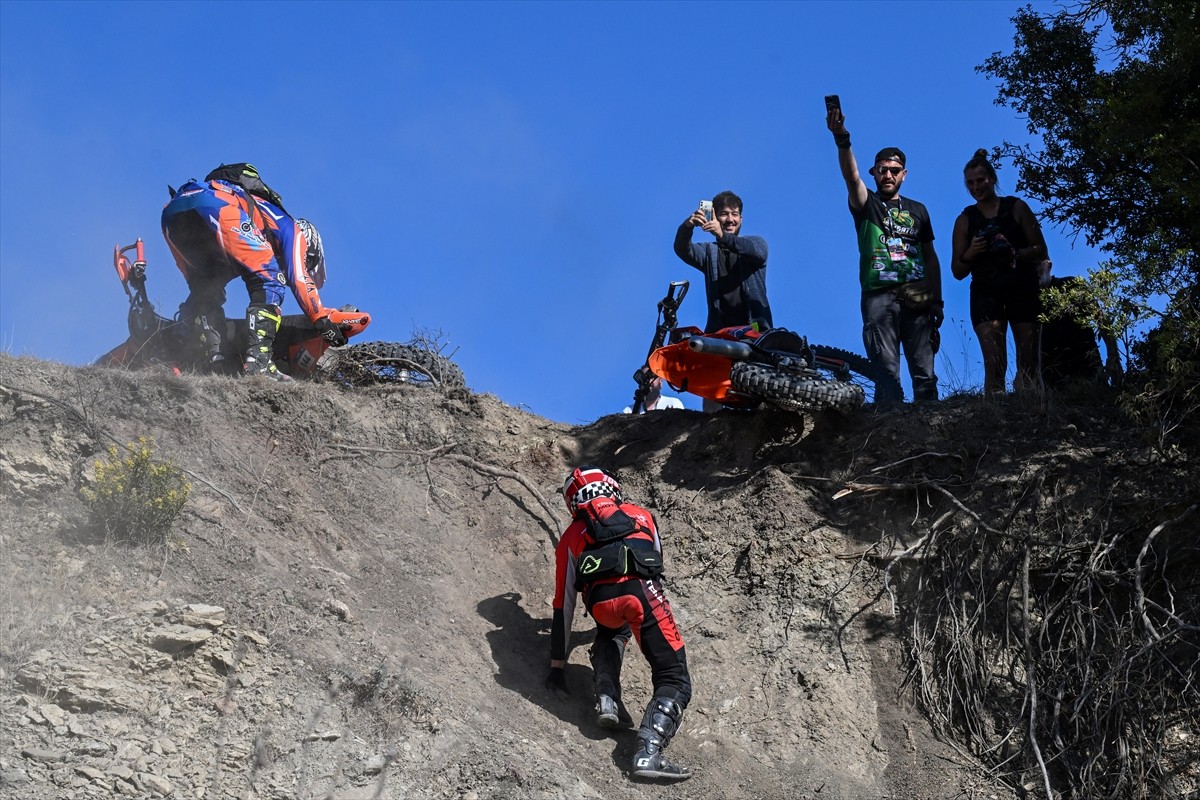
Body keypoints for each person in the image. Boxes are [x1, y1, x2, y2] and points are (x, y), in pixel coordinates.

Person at [547, 466, 693, 781]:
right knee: (674, 678)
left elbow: (563, 605)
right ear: (612, 490)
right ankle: (648, 754)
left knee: (612, 629)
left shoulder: (571, 535)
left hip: (600, 604)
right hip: (641, 594)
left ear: (574, 502)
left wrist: (557, 667)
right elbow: (656, 564)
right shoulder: (640, 514)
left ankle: (606, 696)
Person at [161, 163, 345, 382]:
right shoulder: (293, 229)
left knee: (205, 291)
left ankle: (180, 355)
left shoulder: (253, 227)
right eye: (309, 258)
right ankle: (259, 362)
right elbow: (299, 278)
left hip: (173, 212)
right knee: (270, 281)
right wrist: (321, 318)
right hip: (218, 206)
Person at [826, 105, 943, 405]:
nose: (888, 175)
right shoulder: (867, 204)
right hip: (879, 297)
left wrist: (937, 300)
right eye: (882, 170)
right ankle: (889, 436)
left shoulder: (918, 210)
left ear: (904, 174)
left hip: (916, 297)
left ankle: (929, 431)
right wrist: (842, 139)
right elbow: (851, 179)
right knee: (887, 374)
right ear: (874, 173)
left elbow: (930, 257)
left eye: (894, 170)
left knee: (924, 374)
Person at [950, 149, 1048, 396]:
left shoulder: (1016, 207)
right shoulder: (965, 220)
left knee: (1028, 362)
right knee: (995, 364)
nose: (976, 187)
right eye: (970, 183)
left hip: (1022, 287)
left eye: (980, 180)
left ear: (992, 179)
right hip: (986, 292)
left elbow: (1040, 249)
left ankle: (1031, 412)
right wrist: (972, 252)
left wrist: (1014, 252)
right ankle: (994, 416)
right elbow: (957, 271)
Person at [673, 191, 770, 334]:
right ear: (714, 218)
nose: (730, 219)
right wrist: (687, 226)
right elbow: (682, 249)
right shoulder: (708, 252)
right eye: (724, 214)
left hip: (755, 332)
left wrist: (722, 236)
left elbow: (758, 253)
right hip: (720, 336)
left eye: (735, 214)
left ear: (741, 219)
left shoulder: (756, 243)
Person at [1040, 274, 1122, 390]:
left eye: (1036, 264)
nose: (1033, 270)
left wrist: (1113, 357)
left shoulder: (1071, 284)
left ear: (1048, 265)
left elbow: (1101, 319)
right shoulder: (1030, 301)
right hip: (1053, 384)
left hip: (1089, 372)